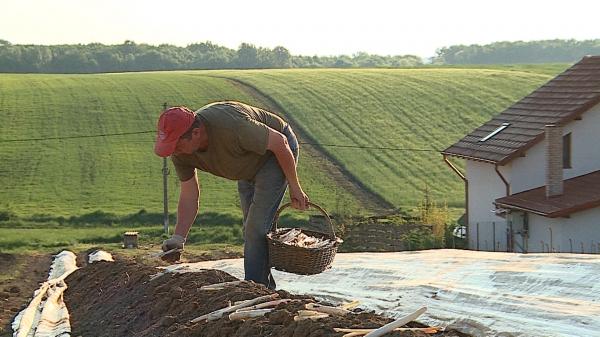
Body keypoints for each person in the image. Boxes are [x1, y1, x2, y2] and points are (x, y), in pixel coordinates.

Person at [154, 101, 309, 289]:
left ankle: (253, 288)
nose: (173, 151)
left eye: (175, 144)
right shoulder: (180, 154)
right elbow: (189, 195)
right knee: (251, 229)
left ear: (195, 133)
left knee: (255, 227)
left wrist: (295, 186)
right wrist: (179, 238)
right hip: (245, 165)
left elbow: (280, 143)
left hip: (275, 155)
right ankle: (265, 288)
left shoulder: (232, 125)